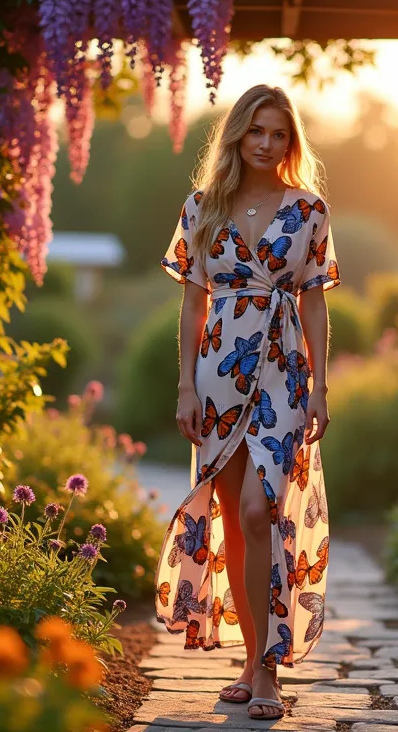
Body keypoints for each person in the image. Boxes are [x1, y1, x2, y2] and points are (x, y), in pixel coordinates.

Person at [154, 84, 340, 721]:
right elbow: (191, 304)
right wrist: (184, 386)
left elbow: (314, 302)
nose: (267, 143)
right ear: (237, 134)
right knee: (234, 516)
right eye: (256, 131)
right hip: (217, 375)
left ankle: (268, 671)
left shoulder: (309, 210)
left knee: (262, 510)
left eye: (279, 134)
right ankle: (249, 654)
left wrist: (320, 386)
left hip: (284, 371)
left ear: (291, 142)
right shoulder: (202, 206)